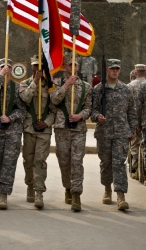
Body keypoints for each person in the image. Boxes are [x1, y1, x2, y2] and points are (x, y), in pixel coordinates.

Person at [91, 59, 137, 211]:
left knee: (119, 164)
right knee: (106, 164)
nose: (115, 71)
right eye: (112, 69)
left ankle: (120, 195)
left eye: (117, 68)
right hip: (104, 132)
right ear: (107, 70)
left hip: (121, 132)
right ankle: (107, 189)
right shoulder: (98, 89)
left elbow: (132, 111)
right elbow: (93, 110)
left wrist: (132, 130)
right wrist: (97, 117)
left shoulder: (126, 89)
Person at [50, 53, 92, 212]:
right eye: (69, 64)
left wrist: (81, 115)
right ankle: (67, 187)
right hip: (62, 128)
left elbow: (88, 107)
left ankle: (76, 194)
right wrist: (66, 85)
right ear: (64, 66)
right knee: (64, 160)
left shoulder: (86, 87)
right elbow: (53, 100)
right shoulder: (57, 83)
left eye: (75, 64)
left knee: (77, 161)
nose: (73, 67)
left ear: (79, 66)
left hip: (78, 129)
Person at [0, 59, 26, 210]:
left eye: (8, 67)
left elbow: (21, 109)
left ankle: (4, 193)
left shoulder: (17, 87)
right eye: (2, 67)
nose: (5, 69)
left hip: (13, 130)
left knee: (9, 162)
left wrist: (11, 117)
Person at [19, 55, 56, 208]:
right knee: (28, 160)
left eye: (40, 66)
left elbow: (55, 110)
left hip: (44, 130)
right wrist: (35, 82)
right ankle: (30, 185)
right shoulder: (25, 83)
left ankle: (39, 192)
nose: (38, 69)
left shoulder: (50, 86)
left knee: (40, 160)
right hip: (28, 128)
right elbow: (25, 99)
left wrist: (46, 123)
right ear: (31, 67)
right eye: (35, 66)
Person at [128, 64, 146, 180]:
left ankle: (134, 169)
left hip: (134, 118)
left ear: (135, 73)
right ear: (145, 72)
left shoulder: (130, 86)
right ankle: (145, 170)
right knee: (145, 144)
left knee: (135, 143)